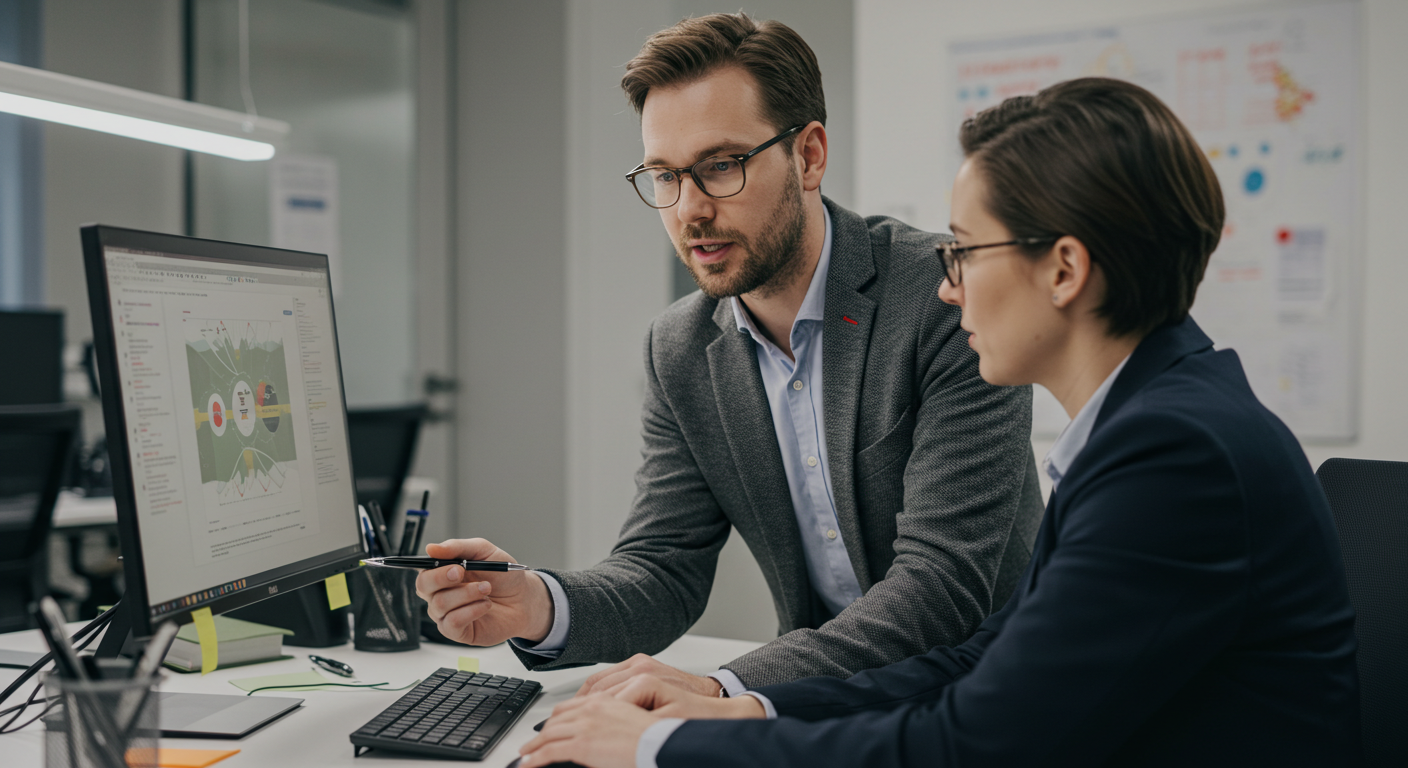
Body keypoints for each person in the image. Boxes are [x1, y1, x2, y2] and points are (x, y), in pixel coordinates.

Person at [515, 77, 1364, 768]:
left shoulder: (1173, 453)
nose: (948, 284)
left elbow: (979, 737)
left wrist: (669, 745)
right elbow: (981, 659)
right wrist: (740, 705)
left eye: (965, 251)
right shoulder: (1150, 421)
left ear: (1064, 269)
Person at [417, 12, 1044, 698]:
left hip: (991, 694)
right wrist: (537, 602)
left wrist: (720, 689)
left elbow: (942, 589)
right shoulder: (680, 347)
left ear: (808, 156)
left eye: (720, 166)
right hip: (818, 699)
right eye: (664, 175)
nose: (688, 210)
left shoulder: (944, 296)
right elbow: (662, 566)